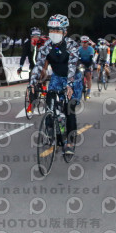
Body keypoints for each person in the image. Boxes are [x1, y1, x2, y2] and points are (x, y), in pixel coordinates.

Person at [28, 14, 82, 155]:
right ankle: (51, 131)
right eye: (51, 30)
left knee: (69, 109)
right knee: (50, 103)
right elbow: (39, 65)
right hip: (57, 77)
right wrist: (32, 83)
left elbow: (72, 66)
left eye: (57, 30)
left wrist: (69, 85)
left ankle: (70, 142)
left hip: (73, 78)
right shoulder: (46, 46)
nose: (54, 33)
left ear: (65, 32)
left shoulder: (72, 45)